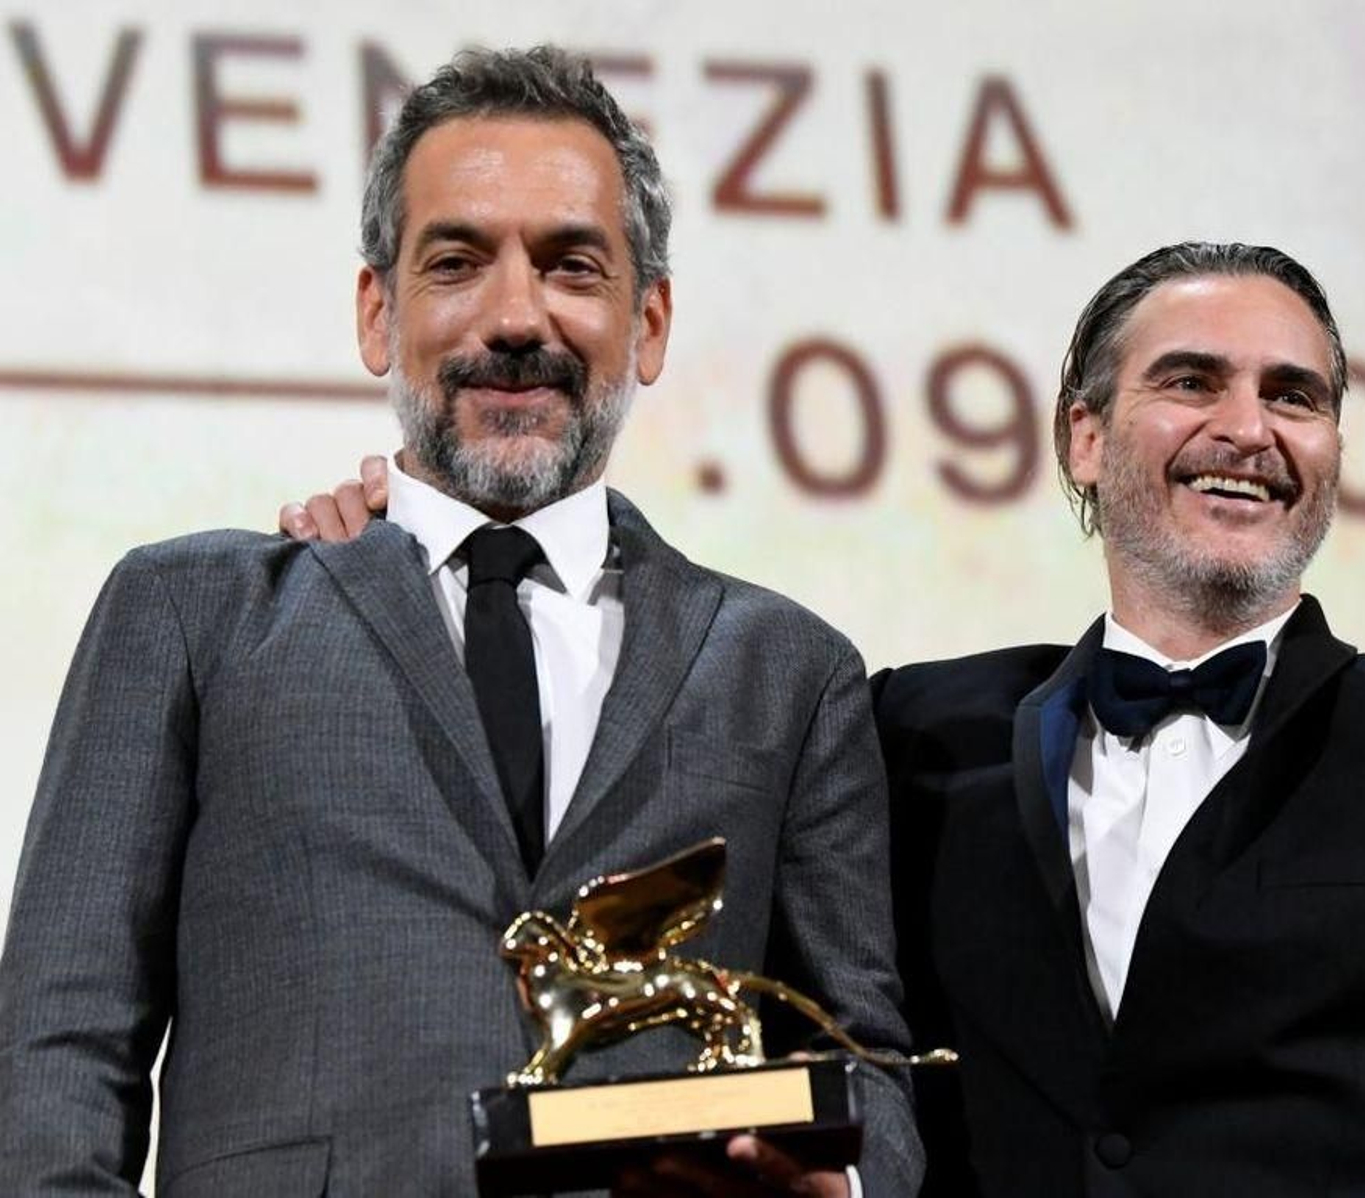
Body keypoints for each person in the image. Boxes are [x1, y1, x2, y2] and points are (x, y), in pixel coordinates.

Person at [277, 244, 1365, 1194]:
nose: (1247, 427)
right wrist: (450, 561)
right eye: (1192, 380)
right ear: (1083, 438)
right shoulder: (909, 724)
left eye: (1295, 395)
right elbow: (645, 736)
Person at [0, 47, 920, 1197]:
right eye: (457, 261)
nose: (515, 315)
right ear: (378, 311)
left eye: (572, 266)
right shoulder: (192, 611)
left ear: (650, 322)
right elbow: (58, 1047)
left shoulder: (789, 669)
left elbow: (863, 1056)